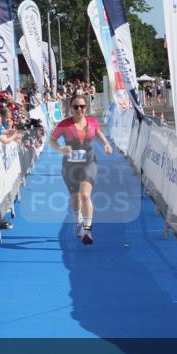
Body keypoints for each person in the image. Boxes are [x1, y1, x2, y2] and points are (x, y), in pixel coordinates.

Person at [48, 95, 114, 245]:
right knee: (75, 197)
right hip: (70, 166)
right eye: (76, 106)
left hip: (89, 163)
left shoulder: (92, 121)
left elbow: (98, 132)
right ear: (70, 108)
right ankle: (78, 221)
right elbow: (51, 141)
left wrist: (106, 144)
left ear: (86, 107)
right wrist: (60, 148)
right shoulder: (64, 124)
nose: (79, 109)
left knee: (85, 195)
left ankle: (87, 230)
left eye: (82, 106)